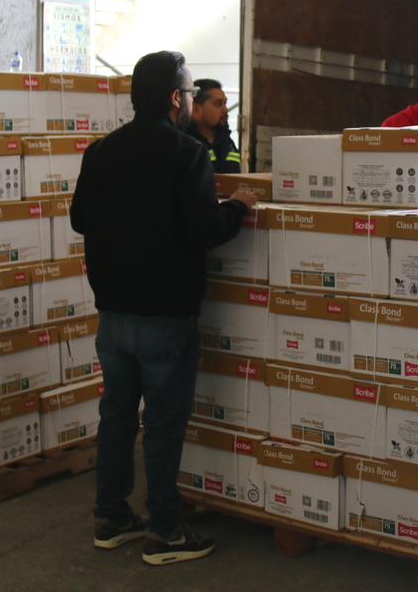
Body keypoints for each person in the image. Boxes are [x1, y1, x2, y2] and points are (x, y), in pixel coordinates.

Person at [71, 51, 256, 566]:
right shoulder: (186, 153)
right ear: (176, 98)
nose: (192, 101)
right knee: (164, 423)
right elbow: (205, 229)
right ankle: (165, 531)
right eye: (192, 93)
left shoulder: (100, 151)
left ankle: (111, 517)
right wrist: (238, 206)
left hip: (113, 312)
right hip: (165, 314)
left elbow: (81, 219)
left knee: (116, 416)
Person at [184, 78, 242, 173]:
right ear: (196, 110)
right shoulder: (185, 144)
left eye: (225, 103)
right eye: (218, 104)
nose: (225, 110)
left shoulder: (228, 143)